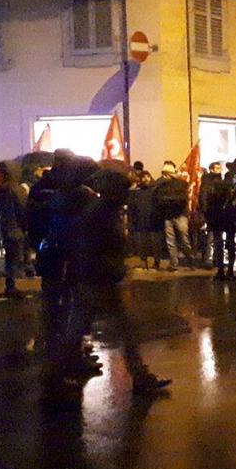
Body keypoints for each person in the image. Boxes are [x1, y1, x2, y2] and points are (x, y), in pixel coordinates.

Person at [53, 167, 171, 398]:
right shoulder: (101, 213)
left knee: (79, 326)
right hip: (98, 279)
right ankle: (139, 376)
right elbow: (97, 249)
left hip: (91, 277)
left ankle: (61, 373)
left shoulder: (101, 210)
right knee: (123, 328)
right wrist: (116, 273)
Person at [0, 160, 28, 298]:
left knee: (10, 256)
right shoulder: (17, 189)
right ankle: (11, 286)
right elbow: (22, 209)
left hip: (4, 225)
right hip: (16, 226)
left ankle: (10, 284)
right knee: (15, 256)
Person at [153, 161, 193, 271]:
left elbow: (160, 200)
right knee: (178, 239)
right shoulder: (175, 184)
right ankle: (180, 262)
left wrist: (167, 201)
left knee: (176, 240)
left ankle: (184, 260)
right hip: (176, 215)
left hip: (175, 215)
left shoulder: (176, 185)